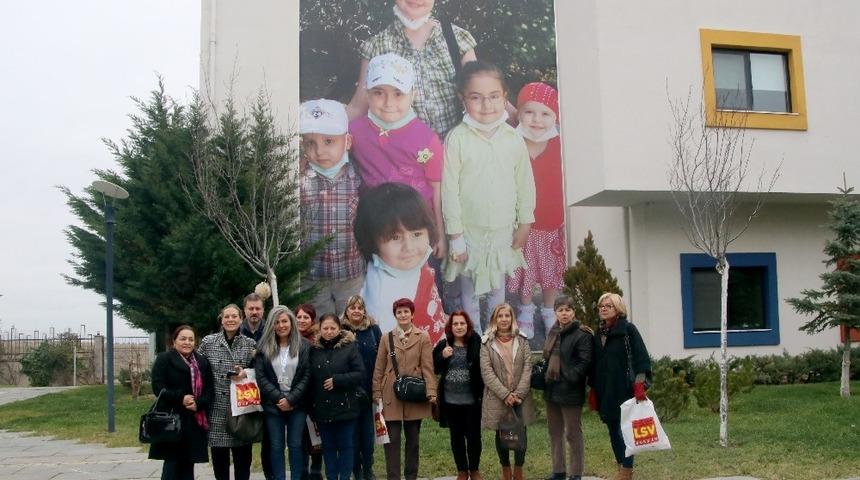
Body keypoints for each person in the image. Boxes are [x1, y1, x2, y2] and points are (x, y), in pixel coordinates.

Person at [442, 61, 536, 333]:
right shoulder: (457, 139)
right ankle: (471, 335)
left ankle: (496, 334)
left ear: (504, 97)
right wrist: (455, 235)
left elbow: (525, 184)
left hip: (502, 230)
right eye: (476, 97)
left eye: (494, 96)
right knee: (469, 288)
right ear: (462, 99)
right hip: (468, 231)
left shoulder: (513, 139)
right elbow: (449, 190)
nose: (486, 105)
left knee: (497, 288)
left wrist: (525, 222)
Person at [349, 52, 446, 264]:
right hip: (376, 227)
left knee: (424, 280)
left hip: (416, 230)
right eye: (379, 93)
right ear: (366, 93)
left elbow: (436, 188)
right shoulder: (353, 131)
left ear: (413, 94)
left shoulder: (428, 139)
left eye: (398, 93)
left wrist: (439, 232)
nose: (388, 102)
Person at [347, 0, 477, 138]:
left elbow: (479, 95)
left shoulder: (457, 39)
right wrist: (332, 126)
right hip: (403, 148)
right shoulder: (377, 47)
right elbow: (358, 107)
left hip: (457, 146)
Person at [506, 83, 566, 340]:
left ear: (555, 117)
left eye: (545, 114)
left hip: (552, 222)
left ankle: (549, 310)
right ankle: (526, 309)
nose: (537, 120)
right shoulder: (511, 141)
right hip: (523, 224)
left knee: (551, 272)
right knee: (526, 272)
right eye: (529, 112)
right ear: (518, 113)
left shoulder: (561, 145)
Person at [354, 182, 446, 341]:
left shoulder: (408, 263)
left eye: (416, 234)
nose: (409, 247)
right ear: (372, 242)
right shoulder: (383, 300)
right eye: (395, 237)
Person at [300, 99, 365, 317]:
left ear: (347, 141)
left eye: (329, 141)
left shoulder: (358, 177)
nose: (319, 151)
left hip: (351, 273)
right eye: (310, 142)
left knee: (353, 322)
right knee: (320, 325)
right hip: (313, 275)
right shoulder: (300, 179)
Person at [372, 298, 438, 480]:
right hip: (390, 395)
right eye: (399, 312)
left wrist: (431, 391)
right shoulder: (387, 338)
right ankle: (393, 477)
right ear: (395, 315)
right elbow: (379, 368)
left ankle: (411, 476)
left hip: (415, 394)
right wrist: (376, 392)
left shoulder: (423, 337)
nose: (403, 315)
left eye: (406, 311)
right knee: (391, 441)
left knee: (413, 441)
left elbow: (428, 367)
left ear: (412, 314)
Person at [590, 293, 651, 480]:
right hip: (605, 390)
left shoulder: (628, 330)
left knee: (625, 432)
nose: (603, 308)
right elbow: (595, 363)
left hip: (624, 389)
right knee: (613, 431)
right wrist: (593, 387)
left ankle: (626, 472)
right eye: (601, 306)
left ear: (618, 309)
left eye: (608, 306)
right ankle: (621, 469)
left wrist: (640, 384)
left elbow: (641, 359)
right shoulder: (599, 333)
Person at [198, 304, 258, 480]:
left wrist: (245, 373)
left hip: (241, 408)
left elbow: (260, 371)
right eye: (227, 317)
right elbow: (198, 367)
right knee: (219, 460)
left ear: (241, 319)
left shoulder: (250, 344)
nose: (230, 320)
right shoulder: (208, 342)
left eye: (234, 316)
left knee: (243, 459)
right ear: (221, 320)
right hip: (217, 408)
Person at [149, 325, 214, 480]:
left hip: (193, 420)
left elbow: (209, 389)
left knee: (188, 465)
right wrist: (180, 398)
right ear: (174, 341)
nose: (187, 342)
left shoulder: (202, 362)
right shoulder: (164, 359)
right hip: (171, 419)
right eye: (183, 339)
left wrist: (198, 403)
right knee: (171, 465)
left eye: (191, 339)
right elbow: (158, 387)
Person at [255, 306, 312, 480]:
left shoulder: (304, 345)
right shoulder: (263, 347)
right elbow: (261, 378)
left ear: (291, 322)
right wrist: (280, 398)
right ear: (271, 325)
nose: (281, 325)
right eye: (277, 322)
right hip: (273, 405)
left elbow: (307, 375)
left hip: (297, 404)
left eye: (285, 321)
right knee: (276, 446)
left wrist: (291, 399)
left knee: (295, 445)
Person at [479, 303, 535, 480]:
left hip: (520, 397)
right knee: (501, 433)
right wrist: (505, 394)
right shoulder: (487, 342)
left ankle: (518, 470)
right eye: (500, 316)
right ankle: (505, 470)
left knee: (521, 433)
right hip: (498, 397)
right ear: (495, 319)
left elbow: (528, 367)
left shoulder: (522, 339)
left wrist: (518, 393)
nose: (504, 319)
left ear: (512, 318)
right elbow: (486, 372)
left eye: (507, 315)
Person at [308, 313, 366, 480]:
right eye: (325, 328)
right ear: (319, 329)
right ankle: (332, 477)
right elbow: (310, 379)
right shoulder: (314, 350)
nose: (329, 331)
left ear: (339, 328)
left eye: (332, 328)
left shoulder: (350, 347)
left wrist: (338, 380)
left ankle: (345, 477)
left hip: (346, 407)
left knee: (346, 446)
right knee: (328, 447)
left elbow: (360, 373)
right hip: (322, 409)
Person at [542, 296, 593, 480]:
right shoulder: (553, 332)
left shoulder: (582, 334)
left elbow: (585, 362)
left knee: (573, 433)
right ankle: (559, 471)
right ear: (555, 312)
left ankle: (576, 473)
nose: (564, 313)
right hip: (552, 389)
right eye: (560, 310)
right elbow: (548, 358)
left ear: (574, 312)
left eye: (568, 310)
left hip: (571, 391)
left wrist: (570, 376)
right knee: (555, 432)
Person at [432, 311, 484, 480]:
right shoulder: (444, 344)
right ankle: (462, 470)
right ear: (451, 327)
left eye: (462, 323)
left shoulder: (476, 343)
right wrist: (442, 356)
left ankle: (474, 470)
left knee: (474, 437)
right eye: (455, 324)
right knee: (456, 437)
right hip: (450, 401)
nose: (459, 327)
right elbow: (434, 368)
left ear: (467, 325)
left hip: (472, 401)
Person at [340, 295, 383, 480]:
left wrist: (378, 388)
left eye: (360, 307)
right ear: (347, 311)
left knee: (367, 434)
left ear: (364, 310)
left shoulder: (373, 330)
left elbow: (382, 358)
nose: (356, 311)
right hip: (347, 392)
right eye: (352, 308)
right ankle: (356, 469)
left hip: (369, 391)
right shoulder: (340, 330)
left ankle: (368, 469)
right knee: (352, 435)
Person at [239, 292, 272, 479]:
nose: (254, 312)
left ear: (263, 310)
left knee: (269, 441)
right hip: (244, 391)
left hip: (267, 390)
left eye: (257, 308)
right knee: (244, 440)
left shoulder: (271, 329)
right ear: (244, 310)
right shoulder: (237, 329)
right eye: (250, 308)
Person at [294, 303, 324, 480]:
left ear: (312, 320)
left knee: (316, 434)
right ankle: (303, 470)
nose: (302, 320)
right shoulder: (289, 338)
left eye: (306, 317)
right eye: (299, 317)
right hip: (297, 395)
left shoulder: (318, 339)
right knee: (300, 436)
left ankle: (316, 470)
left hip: (315, 394)